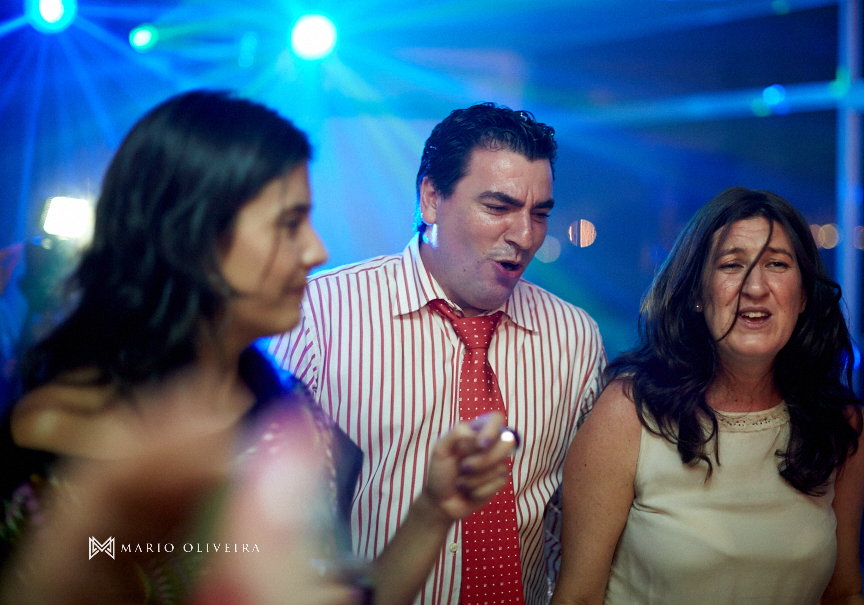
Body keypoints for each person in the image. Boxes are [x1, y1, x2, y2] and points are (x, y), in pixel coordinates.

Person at [0, 90, 517, 605]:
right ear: (194, 234)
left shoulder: (283, 404)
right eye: (289, 225)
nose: (316, 250)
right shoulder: (61, 430)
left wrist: (434, 508)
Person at [270, 102, 608, 605]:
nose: (524, 236)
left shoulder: (574, 338)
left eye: (539, 214)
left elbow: (574, 522)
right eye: (498, 207)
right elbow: (276, 525)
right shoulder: (319, 317)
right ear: (431, 198)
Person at [550, 187, 864, 605]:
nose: (755, 287)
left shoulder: (840, 425)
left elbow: (845, 593)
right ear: (698, 295)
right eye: (731, 265)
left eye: (777, 264)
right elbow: (577, 598)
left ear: (804, 294)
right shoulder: (630, 412)